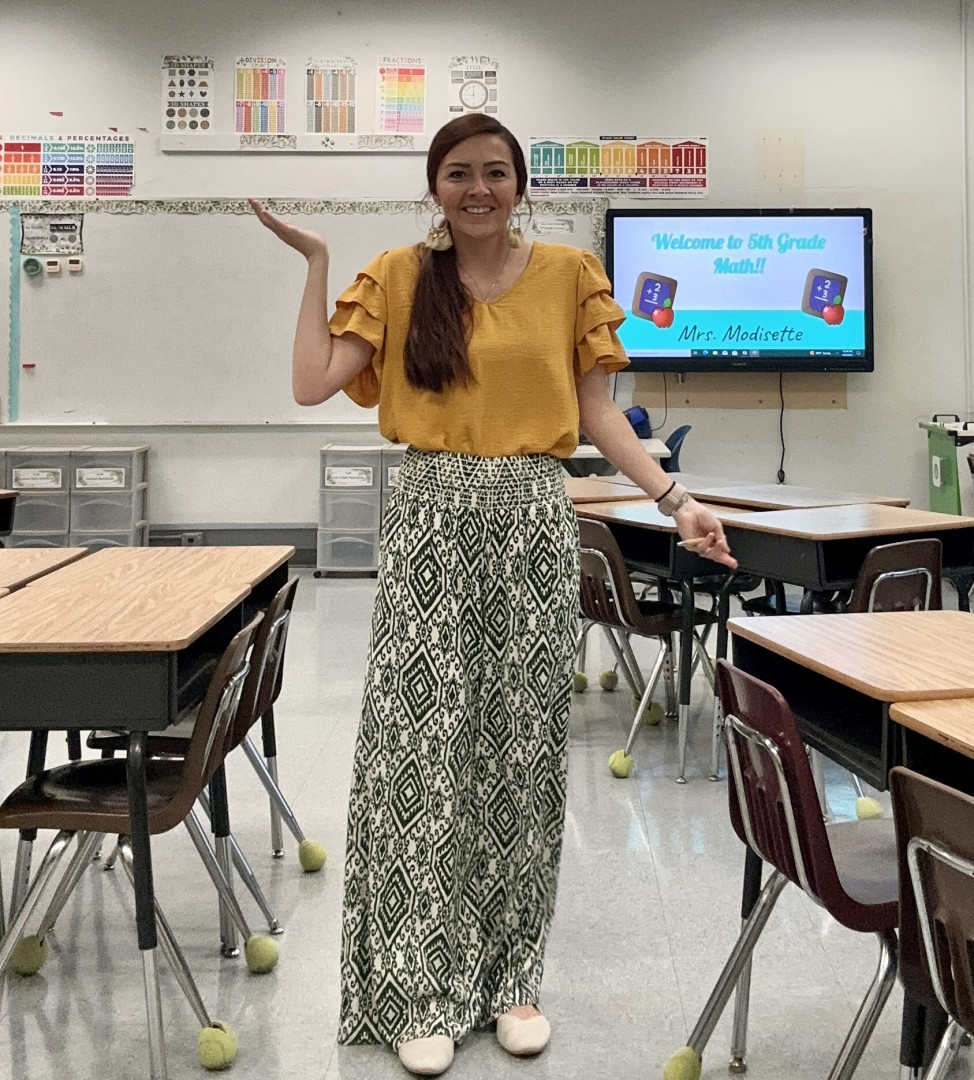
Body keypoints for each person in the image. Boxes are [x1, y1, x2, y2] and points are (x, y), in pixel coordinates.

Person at [250, 114, 735, 1077]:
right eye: (460, 174)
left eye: (497, 173)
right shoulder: (398, 276)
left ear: (521, 184)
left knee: (522, 754)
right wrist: (316, 263)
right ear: (435, 186)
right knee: (419, 753)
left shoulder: (569, 277)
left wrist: (677, 500)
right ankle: (417, 987)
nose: (479, 189)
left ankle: (512, 980)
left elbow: (597, 415)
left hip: (531, 518)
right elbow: (310, 383)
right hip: (430, 517)